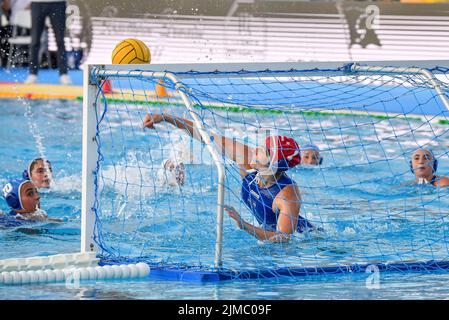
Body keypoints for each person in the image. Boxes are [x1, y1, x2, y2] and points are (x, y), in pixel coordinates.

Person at [143, 113, 318, 243]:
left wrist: (244, 226)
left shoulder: (287, 195)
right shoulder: (248, 159)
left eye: (263, 150)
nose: (255, 149)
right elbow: (205, 136)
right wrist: (166, 118)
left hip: (309, 240)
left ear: (273, 164)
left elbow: (283, 239)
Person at [24, 0, 71, 85]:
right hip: (37, 3)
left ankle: (63, 74)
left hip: (58, 3)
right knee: (35, 41)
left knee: (60, 40)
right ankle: (32, 74)